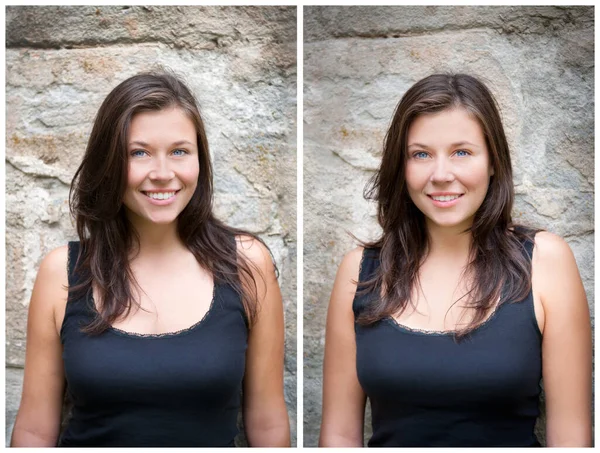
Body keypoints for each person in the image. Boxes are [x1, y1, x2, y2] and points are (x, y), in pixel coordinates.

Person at [11, 71, 290, 447]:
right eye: (138, 152)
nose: (162, 174)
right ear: (108, 162)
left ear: (199, 160)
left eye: (179, 151)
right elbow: (33, 432)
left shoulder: (246, 266)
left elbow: (268, 426)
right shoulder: (62, 273)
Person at [319, 74, 592, 447]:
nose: (441, 175)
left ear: (493, 162)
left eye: (462, 152)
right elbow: (338, 435)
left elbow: (572, 440)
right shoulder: (360, 271)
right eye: (421, 154)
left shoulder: (546, 262)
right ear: (402, 168)